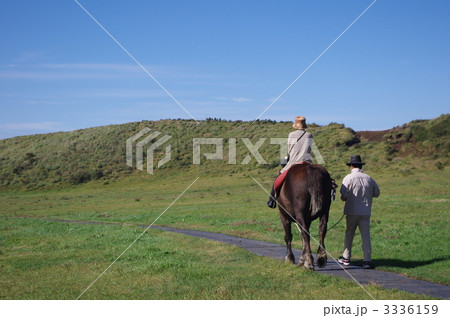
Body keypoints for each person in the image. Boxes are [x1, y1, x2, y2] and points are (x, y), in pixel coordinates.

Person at [338, 155, 380, 269]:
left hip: (352, 211)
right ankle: (367, 260)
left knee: (349, 234)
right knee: (365, 236)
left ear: (351, 166)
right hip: (365, 211)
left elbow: (344, 195)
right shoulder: (368, 178)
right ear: (360, 166)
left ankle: (346, 258)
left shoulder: (348, 178)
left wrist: (344, 198)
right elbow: (377, 193)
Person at [267, 116, 314, 208]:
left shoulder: (291, 135)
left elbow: (289, 150)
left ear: (296, 125)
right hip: (307, 161)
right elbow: (309, 149)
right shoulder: (309, 135)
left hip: (294, 162)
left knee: (278, 178)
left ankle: (271, 200)